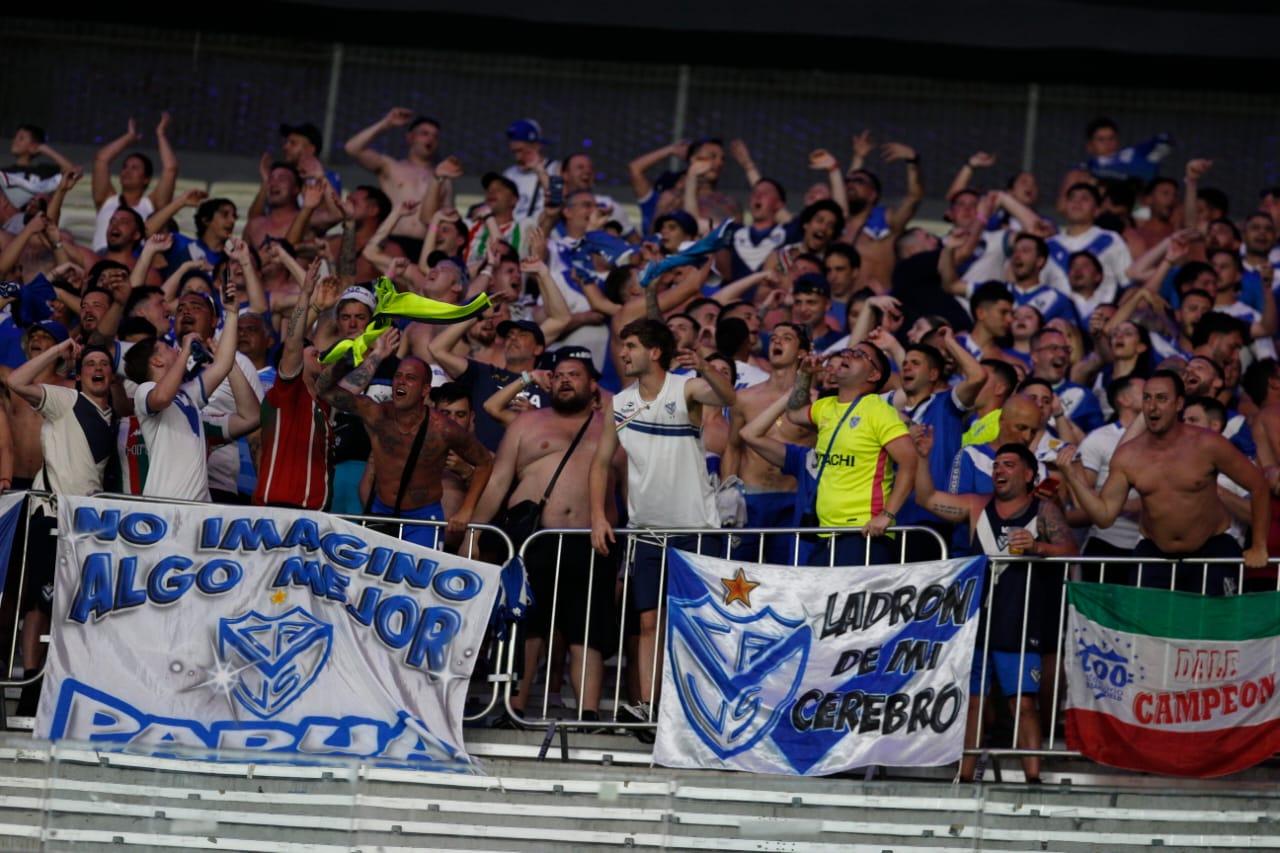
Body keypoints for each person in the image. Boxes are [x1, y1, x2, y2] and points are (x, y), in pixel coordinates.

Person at [589, 319, 735, 716]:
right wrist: (598, 517)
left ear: (654, 352)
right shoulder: (618, 403)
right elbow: (600, 464)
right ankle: (650, 706)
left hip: (696, 530)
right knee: (648, 621)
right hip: (646, 532)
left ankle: (704, 706)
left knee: (699, 624)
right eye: (623, 345)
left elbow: (728, 398)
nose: (623, 352)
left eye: (631, 345)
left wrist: (704, 366)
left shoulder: (685, 388)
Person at [911, 431, 1075, 784]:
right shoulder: (975, 506)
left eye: (1009, 465)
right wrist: (922, 458)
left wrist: (1038, 547)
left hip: (1020, 619)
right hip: (977, 620)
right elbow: (926, 498)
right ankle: (965, 776)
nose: (999, 470)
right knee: (973, 703)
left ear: (1029, 474)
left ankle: (1033, 780)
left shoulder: (1043, 509)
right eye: (996, 465)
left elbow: (1071, 551)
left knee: (1023, 704)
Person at [473, 348, 623, 722]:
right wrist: (474, 534)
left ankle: (587, 714)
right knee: (527, 625)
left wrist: (625, 553)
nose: (565, 380)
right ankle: (513, 706)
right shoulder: (527, 424)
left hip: (591, 541)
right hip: (534, 540)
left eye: (574, 375)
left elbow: (624, 491)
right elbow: (498, 483)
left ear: (593, 386)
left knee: (586, 632)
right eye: (558, 375)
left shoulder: (613, 426)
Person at [1057, 370, 1269, 594]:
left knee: (1212, 625)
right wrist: (1072, 477)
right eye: (1147, 397)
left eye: (1161, 398)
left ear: (1179, 403)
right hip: (1155, 552)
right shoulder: (1128, 456)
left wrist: (1259, 545)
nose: (1152, 406)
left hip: (1212, 547)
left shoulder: (1208, 444)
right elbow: (1104, 516)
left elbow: (1259, 486)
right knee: (1148, 627)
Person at [316, 328, 494, 548]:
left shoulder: (442, 428)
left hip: (421, 520)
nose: (401, 382)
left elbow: (485, 461)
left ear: (425, 389)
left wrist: (467, 509)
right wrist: (347, 357)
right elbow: (324, 390)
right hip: (380, 512)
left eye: (410, 378)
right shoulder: (377, 414)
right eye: (398, 377)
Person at [122, 277, 258, 501]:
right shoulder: (144, 392)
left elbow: (223, 364)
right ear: (156, 362)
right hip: (164, 506)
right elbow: (163, 396)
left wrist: (232, 313)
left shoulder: (187, 396)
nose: (173, 348)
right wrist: (185, 352)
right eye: (166, 347)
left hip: (198, 509)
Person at [783, 341, 916, 566]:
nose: (848, 355)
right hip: (826, 534)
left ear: (874, 374)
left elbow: (910, 461)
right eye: (848, 351)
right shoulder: (826, 406)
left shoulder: (877, 409)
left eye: (859, 355)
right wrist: (805, 375)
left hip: (864, 533)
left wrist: (887, 515)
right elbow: (794, 413)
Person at [252, 259, 332, 510]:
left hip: (313, 515)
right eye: (312, 352)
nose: (319, 353)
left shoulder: (322, 405)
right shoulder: (287, 393)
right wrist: (307, 295)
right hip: (281, 511)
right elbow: (293, 342)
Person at [343, 108, 441, 242]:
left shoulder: (442, 178)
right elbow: (352, 148)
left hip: (425, 245)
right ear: (410, 137)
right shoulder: (391, 167)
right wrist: (386, 123)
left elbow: (446, 219)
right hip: (391, 240)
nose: (430, 139)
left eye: (435, 136)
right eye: (424, 133)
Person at [90, 115, 178, 253]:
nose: (127, 171)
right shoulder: (106, 199)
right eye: (125, 166)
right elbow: (101, 159)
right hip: (100, 260)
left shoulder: (152, 205)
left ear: (146, 179)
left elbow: (170, 169)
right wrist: (129, 137)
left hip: (134, 263)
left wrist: (160, 134)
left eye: (135, 168)